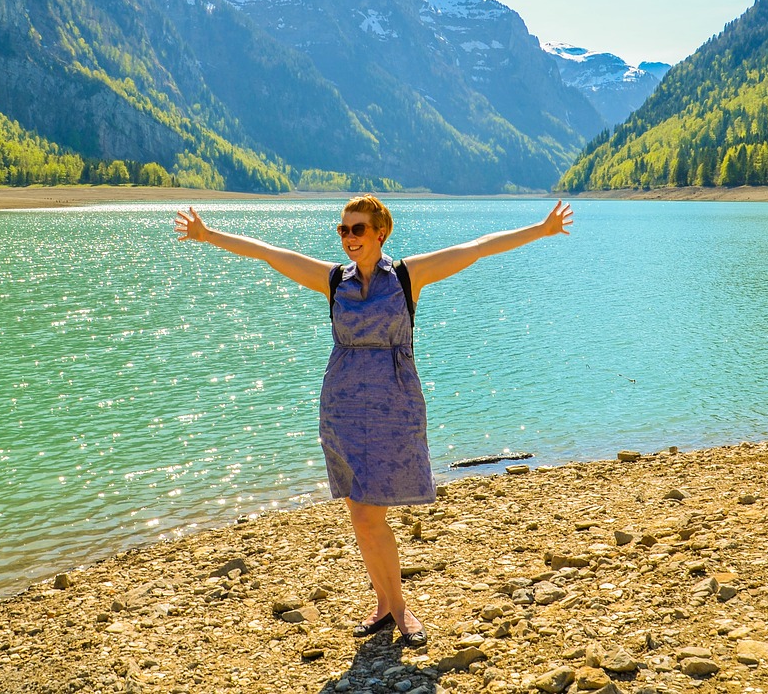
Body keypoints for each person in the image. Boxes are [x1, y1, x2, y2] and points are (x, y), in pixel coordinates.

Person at [175, 195, 572, 648]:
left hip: (394, 404)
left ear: (380, 233)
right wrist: (209, 236)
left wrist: (540, 230)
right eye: (342, 230)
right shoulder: (333, 281)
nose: (348, 238)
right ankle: (387, 605)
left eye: (357, 229)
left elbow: (477, 247)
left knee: (368, 515)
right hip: (342, 405)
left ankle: (398, 608)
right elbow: (270, 253)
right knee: (360, 514)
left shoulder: (406, 277)